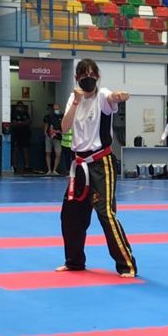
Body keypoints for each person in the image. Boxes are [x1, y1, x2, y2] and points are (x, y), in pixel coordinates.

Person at [57, 59, 136, 277]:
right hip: (79, 166)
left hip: (102, 163)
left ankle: (127, 265)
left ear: (98, 77)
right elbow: (64, 127)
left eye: (93, 74)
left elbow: (112, 97)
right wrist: (76, 101)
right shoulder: (73, 99)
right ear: (77, 78)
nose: (89, 78)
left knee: (105, 213)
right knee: (70, 215)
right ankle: (74, 262)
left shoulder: (102, 96)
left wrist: (118, 96)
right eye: (84, 74)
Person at [9, 101, 31, 174]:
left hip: (25, 134)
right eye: (18, 106)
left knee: (26, 151)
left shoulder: (25, 113)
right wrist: (22, 123)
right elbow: (13, 124)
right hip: (16, 134)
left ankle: (27, 167)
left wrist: (20, 123)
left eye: (21, 106)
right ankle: (14, 166)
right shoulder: (13, 114)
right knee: (15, 151)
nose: (20, 107)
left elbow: (28, 122)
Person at [43, 103, 62, 175]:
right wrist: (45, 132)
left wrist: (58, 131)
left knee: (58, 153)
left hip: (57, 137)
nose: (56, 109)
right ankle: (49, 170)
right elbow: (46, 124)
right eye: (54, 108)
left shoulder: (62, 116)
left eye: (57, 107)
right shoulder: (48, 116)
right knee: (48, 153)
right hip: (49, 136)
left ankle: (54, 170)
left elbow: (64, 126)